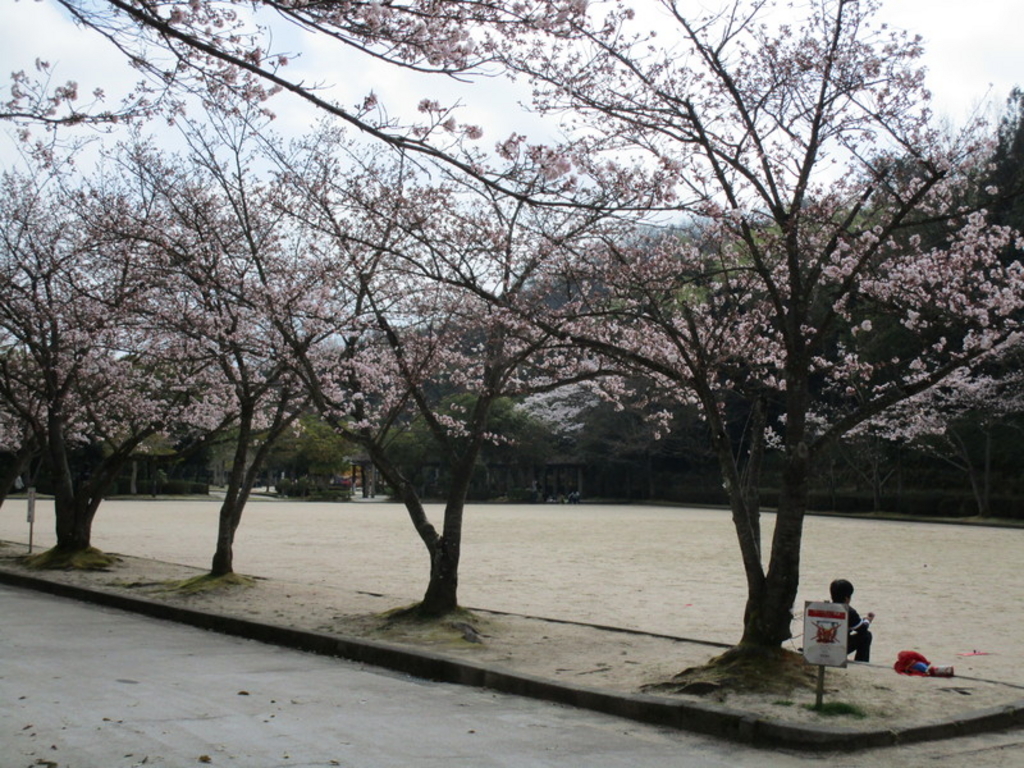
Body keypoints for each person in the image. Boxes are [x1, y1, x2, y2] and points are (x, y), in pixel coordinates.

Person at [829, 578, 874, 662]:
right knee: (866, 636)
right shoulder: (849, 612)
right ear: (846, 598)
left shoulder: (823, 608)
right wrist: (868, 620)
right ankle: (861, 663)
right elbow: (862, 629)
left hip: (822, 646)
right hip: (837, 649)